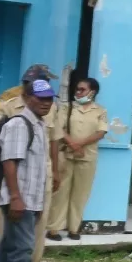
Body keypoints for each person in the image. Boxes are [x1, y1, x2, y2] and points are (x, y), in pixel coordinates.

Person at [0, 65, 60, 262]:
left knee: (26, 238)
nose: (46, 103)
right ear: (27, 95)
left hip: (35, 183)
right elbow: (8, 158)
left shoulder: (41, 120)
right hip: (18, 189)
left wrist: (55, 170)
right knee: (18, 245)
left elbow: (53, 141)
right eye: (40, 98)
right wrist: (16, 196)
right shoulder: (16, 118)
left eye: (49, 99)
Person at [49, 76, 107, 240]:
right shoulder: (66, 108)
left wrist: (79, 144)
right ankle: (54, 228)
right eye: (77, 89)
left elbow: (101, 132)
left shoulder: (100, 111)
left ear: (92, 92)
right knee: (60, 191)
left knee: (81, 193)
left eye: (82, 89)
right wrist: (73, 144)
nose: (78, 92)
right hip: (66, 155)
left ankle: (74, 228)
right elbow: (58, 128)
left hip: (87, 157)